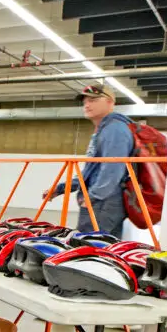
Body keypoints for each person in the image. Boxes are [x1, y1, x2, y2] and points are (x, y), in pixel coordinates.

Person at [43, 84, 134, 236]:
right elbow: (90, 171)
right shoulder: (103, 130)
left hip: (103, 203)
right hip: (100, 202)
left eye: (94, 100)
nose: (87, 104)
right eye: (85, 100)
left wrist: (93, 197)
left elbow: (113, 170)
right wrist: (61, 188)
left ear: (110, 102)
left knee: (94, 250)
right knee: (92, 246)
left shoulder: (115, 129)